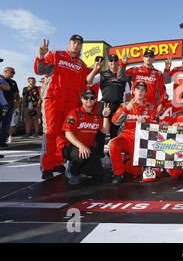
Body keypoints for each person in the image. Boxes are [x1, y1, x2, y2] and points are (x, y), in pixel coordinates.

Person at [34, 35, 90, 180]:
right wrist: (41, 55)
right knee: (51, 132)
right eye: (74, 42)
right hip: (53, 100)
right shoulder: (55, 55)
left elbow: (85, 84)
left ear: (82, 46)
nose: (76, 45)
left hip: (71, 103)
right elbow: (40, 70)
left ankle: (57, 162)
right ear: (69, 43)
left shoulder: (81, 65)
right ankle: (46, 166)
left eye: (79, 44)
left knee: (64, 134)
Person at [109, 82, 159, 184]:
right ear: (133, 91)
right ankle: (118, 174)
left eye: (142, 89)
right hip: (127, 138)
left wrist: (146, 123)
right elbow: (115, 121)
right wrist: (126, 109)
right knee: (113, 144)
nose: (140, 91)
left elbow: (157, 126)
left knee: (136, 172)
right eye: (137, 89)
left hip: (142, 141)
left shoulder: (151, 107)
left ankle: (127, 159)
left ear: (145, 92)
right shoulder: (125, 105)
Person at [62, 88, 111, 185]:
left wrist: (105, 117)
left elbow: (106, 130)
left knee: (98, 174)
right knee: (81, 156)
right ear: (81, 99)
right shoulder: (74, 113)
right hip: (71, 148)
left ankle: (81, 168)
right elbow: (67, 133)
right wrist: (81, 146)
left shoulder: (96, 116)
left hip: (88, 150)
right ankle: (72, 171)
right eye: (86, 97)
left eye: (92, 98)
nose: (89, 100)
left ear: (96, 100)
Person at [87, 54, 132, 139]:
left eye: (115, 61)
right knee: (100, 132)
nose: (113, 63)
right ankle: (98, 152)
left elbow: (128, 95)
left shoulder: (123, 76)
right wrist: (95, 70)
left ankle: (112, 151)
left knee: (115, 132)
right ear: (108, 63)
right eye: (111, 61)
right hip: (103, 106)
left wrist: (125, 108)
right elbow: (89, 81)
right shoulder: (102, 74)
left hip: (118, 107)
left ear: (118, 62)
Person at [118, 49, 166, 116]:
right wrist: (123, 64)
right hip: (136, 105)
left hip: (151, 107)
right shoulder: (135, 70)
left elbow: (162, 91)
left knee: (150, 126)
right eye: (146, 56)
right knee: (134, 126)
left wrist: (161, 104)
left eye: (151, 56)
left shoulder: (158, 74)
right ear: (143, 58)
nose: (148, 58)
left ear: (153, 59)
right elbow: (121, 77)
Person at [0, 67, 20, 147]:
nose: (13, 74)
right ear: (6, 71)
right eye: (12, 72)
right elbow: (6, 88)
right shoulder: (1, 79)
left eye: (14, 73)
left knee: (7, 123)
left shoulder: (13, 82)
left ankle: (2, 141)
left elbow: (16, 93)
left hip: (10, 104)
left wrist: (17, 102)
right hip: (1, 104)